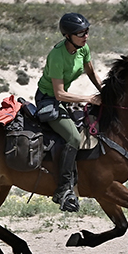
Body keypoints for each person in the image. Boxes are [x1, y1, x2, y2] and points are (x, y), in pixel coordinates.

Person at [34, 12, 102, 212]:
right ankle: (64, 189)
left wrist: (105, 92)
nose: (85, 36)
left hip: (63, 98)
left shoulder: (83, 49)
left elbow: (91, 72)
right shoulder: (56, 55)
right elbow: (60, 94)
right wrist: (88, 98)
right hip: (48, 99)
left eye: (87, 31)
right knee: (73, 137)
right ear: (68, 36)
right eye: (80, 33)